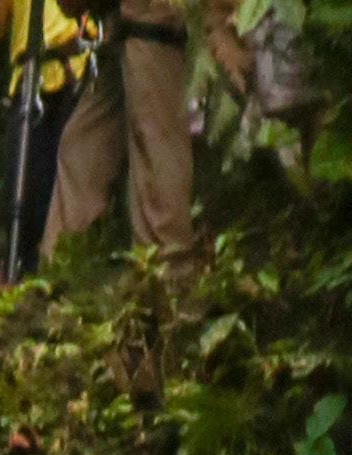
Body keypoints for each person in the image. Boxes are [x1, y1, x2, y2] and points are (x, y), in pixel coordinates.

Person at [45, 0, 260, 271]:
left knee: (155, 142)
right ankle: (61, 264)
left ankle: (167, 272)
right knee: (82, 145)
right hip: (125, 23)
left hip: (155, 17)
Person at [0, 0, 95, 282]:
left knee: (74, 197)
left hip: (80, 71)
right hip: (29, 81)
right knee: (22, 204)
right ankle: (26, 281)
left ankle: (68, 280)